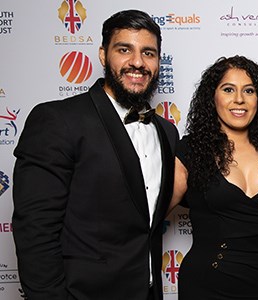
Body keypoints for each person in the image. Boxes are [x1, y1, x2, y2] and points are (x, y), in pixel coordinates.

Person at [12, 10, 178, 300]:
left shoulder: (166, 132)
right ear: (103, 55)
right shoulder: (58, 119)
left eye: (148, 53)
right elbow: (35, 230)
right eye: (124, 49)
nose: (137, 62)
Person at [169, 56, 258, 299]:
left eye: (249, 90)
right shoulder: (191, 151)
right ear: (212, 97)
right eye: (228, 89)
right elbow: (146, 217)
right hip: (208, 287)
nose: (239, 99)